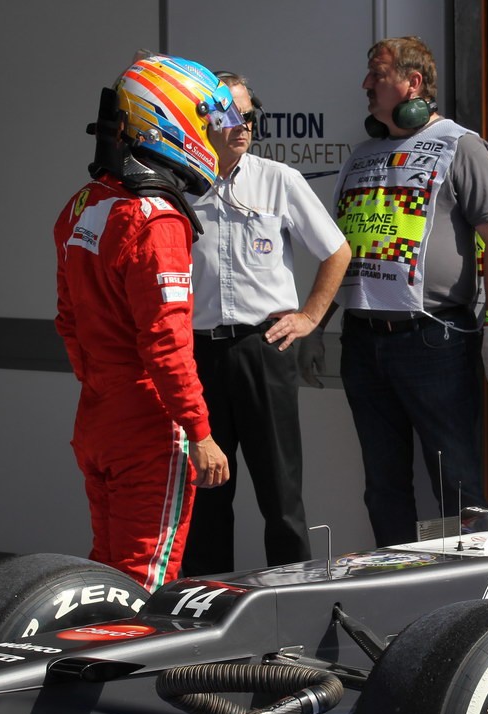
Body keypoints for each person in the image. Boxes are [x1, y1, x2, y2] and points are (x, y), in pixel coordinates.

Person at [322, 35, 488, 547]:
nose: (366, 84)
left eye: (377, 74)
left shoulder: (461, 146)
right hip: (363, 340)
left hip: (433, 341)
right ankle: (400, 577)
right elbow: (342, 247)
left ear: (412, 83)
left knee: (453, 483)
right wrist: (318, 321)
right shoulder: (362, 155)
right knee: (383, 484)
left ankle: (459, 583)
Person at [55, 53, 233, 590]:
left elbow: (68, 322)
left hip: (97, 415)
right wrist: (199, 432)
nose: (214, 136)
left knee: (104, 573)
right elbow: (166, 344)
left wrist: (105, 386)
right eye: (206, 122)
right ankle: (131, 675)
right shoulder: (154, 218)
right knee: (143, 582)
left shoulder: (83, 204)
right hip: (148, 424)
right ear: (169, 118)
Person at [183, 72, 350, 574]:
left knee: (281, 497)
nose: (243, 126)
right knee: (208, 497)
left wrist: (310, 317)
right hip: (200, 353)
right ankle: (207, 616)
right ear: (202, 120)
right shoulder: (179, 185)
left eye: (250, 116)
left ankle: (292, 611)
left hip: (264, 349)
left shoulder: (279, 179)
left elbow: (337, 251)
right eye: (230, 115)